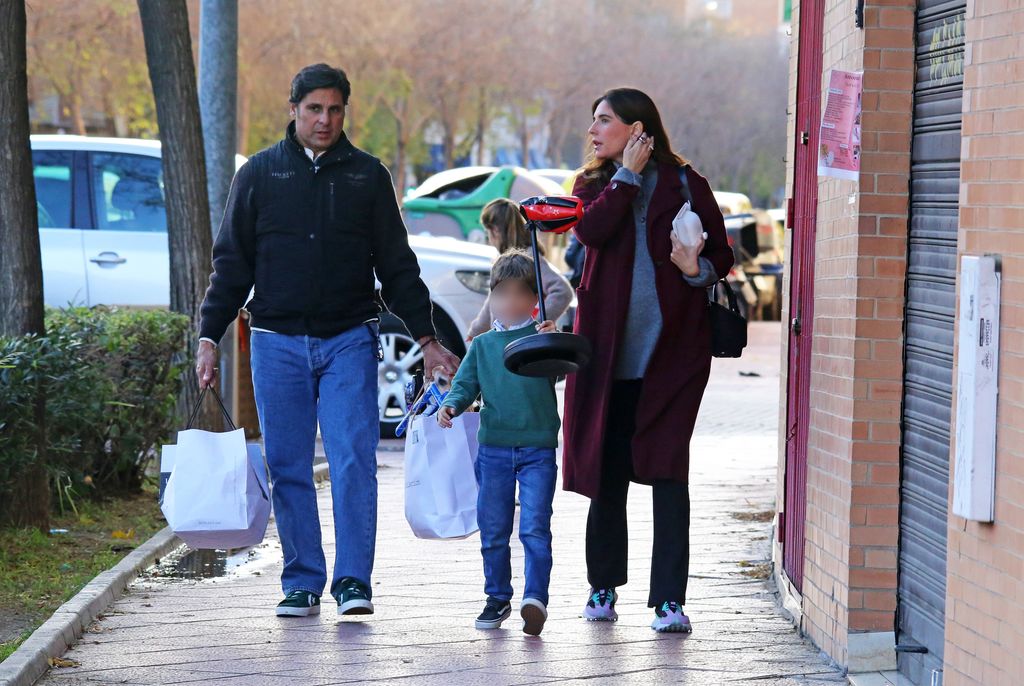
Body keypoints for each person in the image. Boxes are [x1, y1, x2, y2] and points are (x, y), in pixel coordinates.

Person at [195, 63, 459, 618]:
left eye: (335, 110)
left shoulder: (368, 176)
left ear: (345, 112)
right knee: (288, 463)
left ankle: (354, 581)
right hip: (275, 341)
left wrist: (428, 338)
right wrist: (207, 336)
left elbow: (398, 267)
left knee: (352, 460)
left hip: (348, 339)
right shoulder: (260, 175)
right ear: (293, 109)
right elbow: (231, 264)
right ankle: (302, 579)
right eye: (314, 109)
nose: (324, 120)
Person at [561, 88, 734, 632]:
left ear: (638, 128)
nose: (593, 131)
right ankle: (602, 588)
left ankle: (668, 601)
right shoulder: (592, 185)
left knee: (667, 472)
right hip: (606, 360)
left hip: (672, 358)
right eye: (593, 121)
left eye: (604, 121)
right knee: (607, 473)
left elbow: (722, 256)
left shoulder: (686, 182)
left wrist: (693, 267)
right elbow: (589, 231)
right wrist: (626, 177)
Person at [436, 250, 560, 636]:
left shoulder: (542, 337)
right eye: (500, 294)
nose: (507, 303)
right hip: (494, 449)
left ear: (532, 300)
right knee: (493, 528)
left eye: (517, 295)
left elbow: (563, 368)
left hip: (538, 447)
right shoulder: (483, 345)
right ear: (491, 297)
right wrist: (452, 406)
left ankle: (534, 598)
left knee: (536, 526)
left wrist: (554, 340)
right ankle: (497, 596)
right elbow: (465, 384)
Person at [466, 198, 573, 339]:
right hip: (502, 340)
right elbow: (493, 299)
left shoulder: (529, 258)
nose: (488, 238)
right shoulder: (504, 261)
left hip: (525, 344)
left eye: (487, 233)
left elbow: (563, 291)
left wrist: (536, 325)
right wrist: (476, 331)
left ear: (495, 231)